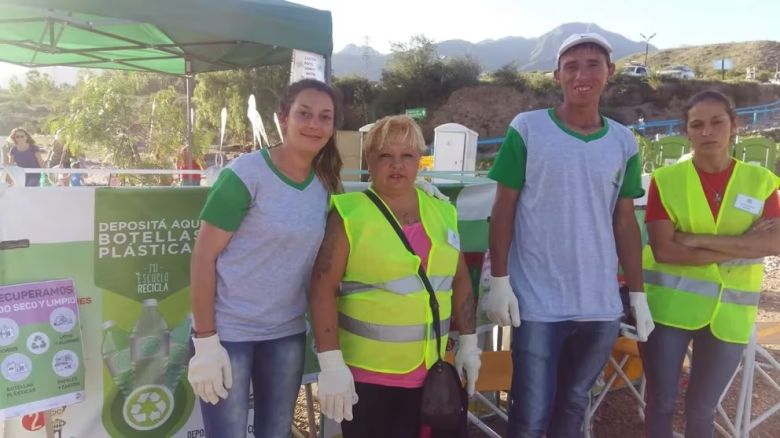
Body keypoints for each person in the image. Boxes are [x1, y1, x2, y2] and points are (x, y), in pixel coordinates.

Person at [483, 33, 655, 437]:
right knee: (530, 414)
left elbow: (625, 221)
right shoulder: (527, 129)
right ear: (556, 75)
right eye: (572, 65)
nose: (582, 74)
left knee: (574, 406)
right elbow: (503, 208)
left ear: (609, 73)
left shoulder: (622, 141)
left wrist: (637, 293)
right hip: (539, 303)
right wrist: (501, 282)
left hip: (599, 306)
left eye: (593, 64)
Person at [187, 79, 343, 437]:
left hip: (286, 334)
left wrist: (420, 189)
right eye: (304, 114)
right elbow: (203, 257)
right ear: (283, 117)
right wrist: (206, 342)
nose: (313, 124)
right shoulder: (246, 174)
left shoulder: (327, 184)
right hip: (229, 334)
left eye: (324, 117)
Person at [309, 115, 482, 437]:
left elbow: (459, 280)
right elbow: (322, 287)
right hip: (370, 380)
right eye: (385, 156)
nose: (397, 165)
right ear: (369, 161)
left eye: (407, 156)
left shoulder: (442, 210)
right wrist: (331, 362)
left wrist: (469, 343)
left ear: (420, 160)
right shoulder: (349, 214)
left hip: (434, 375)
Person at [641, 90, 780, 438]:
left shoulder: (761, 183)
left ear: (734, 125)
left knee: (703, 408)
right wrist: (744, 245)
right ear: (686, 131)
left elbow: (774, 243)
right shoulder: (666, 181)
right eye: (697, 124)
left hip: (730, 313)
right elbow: (665, 251)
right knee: (661, 403)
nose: (707, 132)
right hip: (668, 311)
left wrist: (697, 238)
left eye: (717, 122)